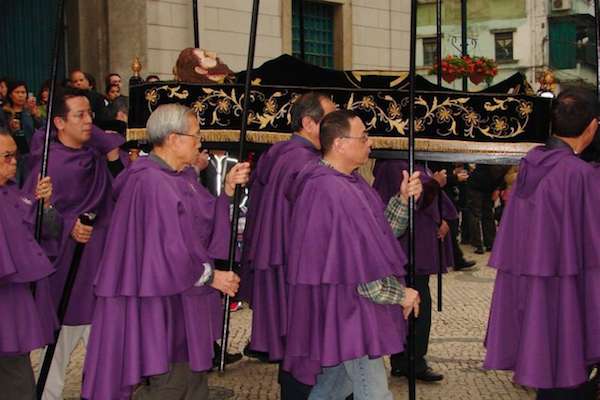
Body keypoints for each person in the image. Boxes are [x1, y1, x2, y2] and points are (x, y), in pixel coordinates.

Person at [81, 104, 250, 400]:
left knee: (192, 382)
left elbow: (201, 223)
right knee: (171, 385)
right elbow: (167, 252)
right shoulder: (150, 182)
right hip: (161, 302)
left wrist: (227, 191)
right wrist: (212, 278)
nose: (201, 141)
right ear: (173, 138)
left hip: (183, 298)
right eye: (196, 135)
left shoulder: (179, 176)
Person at [282, 110, 421, 399]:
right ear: (340, 144)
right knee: (374, 392)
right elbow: (360, 273)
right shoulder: (330, 190)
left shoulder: (347, 182)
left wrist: (403, 198)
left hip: (345, 311)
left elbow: (378, 237)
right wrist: (401, 294)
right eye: (364, 137)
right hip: (351, 312)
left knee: (334, 387)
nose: (370, 143)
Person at [484, 88, 600, 399]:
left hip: (535, 290)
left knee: (550, 377)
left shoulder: (531, 164)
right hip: (568, 292)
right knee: (569, 378)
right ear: (592, 127)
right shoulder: (579, 175)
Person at [24, 88, 124, 400]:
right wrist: (67, 226)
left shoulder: (95, 157)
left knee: (106, 360)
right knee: (54, 361)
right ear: (59, 122)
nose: (88, 121)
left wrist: (108, 148)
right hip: (65, 273)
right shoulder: (47, 164)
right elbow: (29, 217)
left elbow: (121, 191)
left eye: (90, 114)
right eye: (79, 115)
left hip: (100, 271)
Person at [239, 92, 336, 399]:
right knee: (303, 349)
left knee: (293, 346)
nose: (336, 128)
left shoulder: (279, 153)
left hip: (278, 263)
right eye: (330, 120)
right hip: (298, 270)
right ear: (308, 123)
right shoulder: (305, 163)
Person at [373, 159, 457, 382]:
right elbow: (412, 200)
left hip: (416, 242)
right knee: (418, 301)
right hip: (409, 247)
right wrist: (435, 183)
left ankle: (405, 359)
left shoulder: (408, 162)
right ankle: (412, 360)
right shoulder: (394, 165)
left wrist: (442, 218)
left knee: (416, 299)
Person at [0, 129, 59, 399]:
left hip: (12, 306)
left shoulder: (11, 193)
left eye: (15, 155)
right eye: (6, 156)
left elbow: (44, 232)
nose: (14, 162)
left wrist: (43, 204)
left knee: (18, 378)